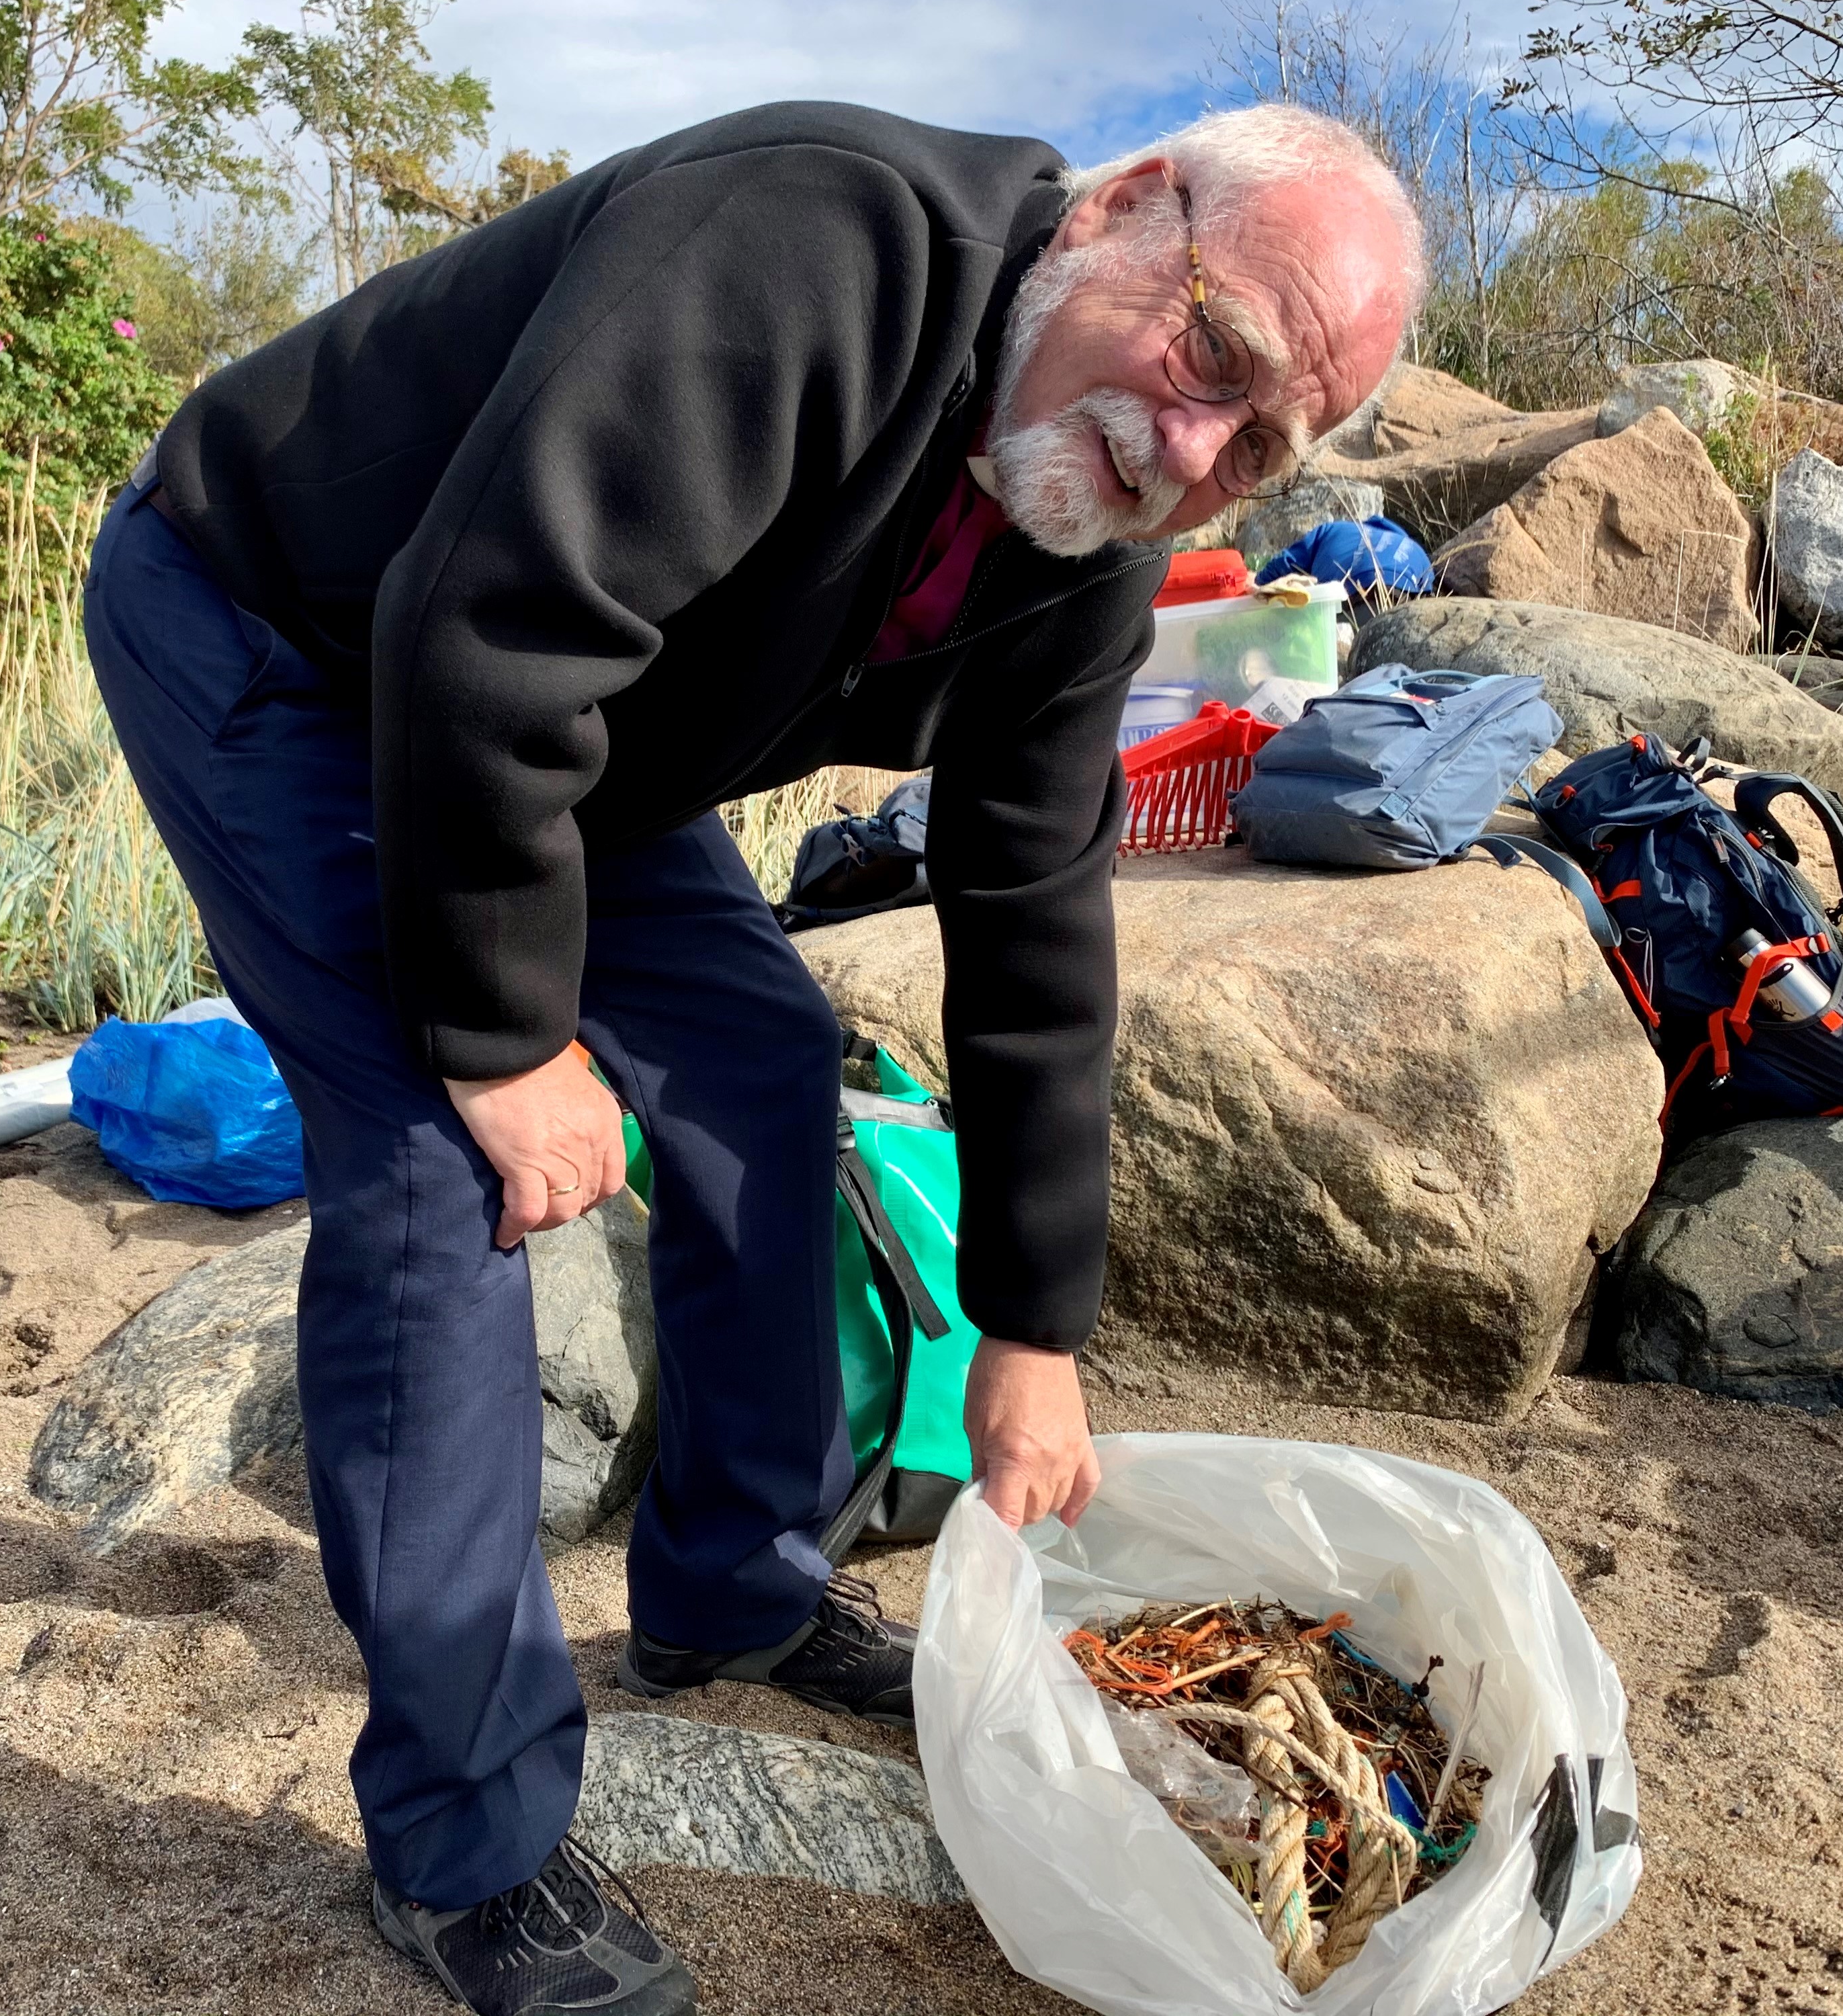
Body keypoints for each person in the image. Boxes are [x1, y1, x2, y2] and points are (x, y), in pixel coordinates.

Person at [83, 99, 1416, 2015]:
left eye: (1265, 445)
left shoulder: (1089, 534)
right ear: (1128, 210)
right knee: (443, 1168)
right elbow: (490, 620)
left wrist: (1035, 1327)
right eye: (1215, 353)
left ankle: (732, 1587)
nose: (1197, 448)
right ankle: (471, 1848)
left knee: (770, 1076)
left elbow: (1035, 919)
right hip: (290, 632)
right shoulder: (818, 240)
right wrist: (504, 1035)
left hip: (573, 736)